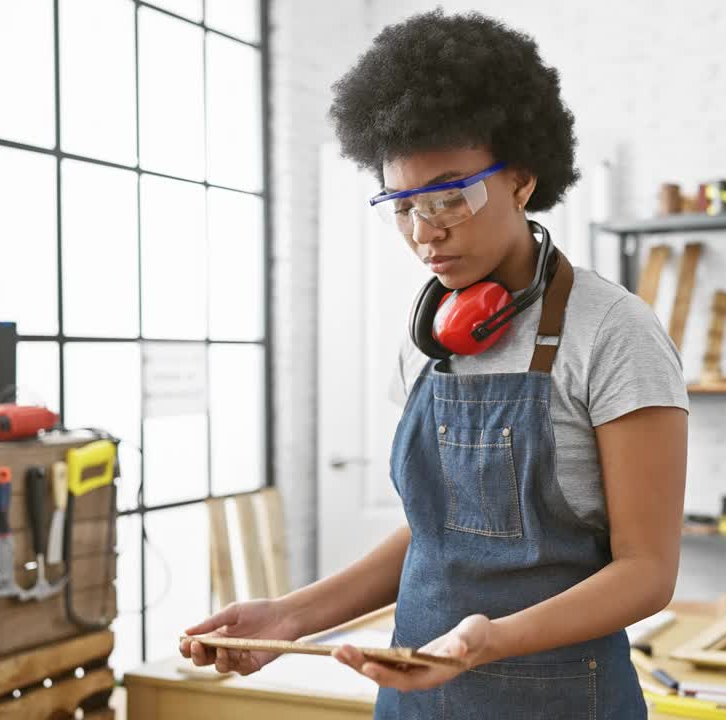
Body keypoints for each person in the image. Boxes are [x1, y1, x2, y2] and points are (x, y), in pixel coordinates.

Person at [181, 10, 688, 718]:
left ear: (520, 178)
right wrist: (292, 617)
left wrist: (491, 642)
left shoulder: (613, 333)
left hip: (560, 700)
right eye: (403, 205)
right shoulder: (431, 335)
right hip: (417, 701)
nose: (426, 232)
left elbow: (648, 572)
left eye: (450, 195)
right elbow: (438, 535)